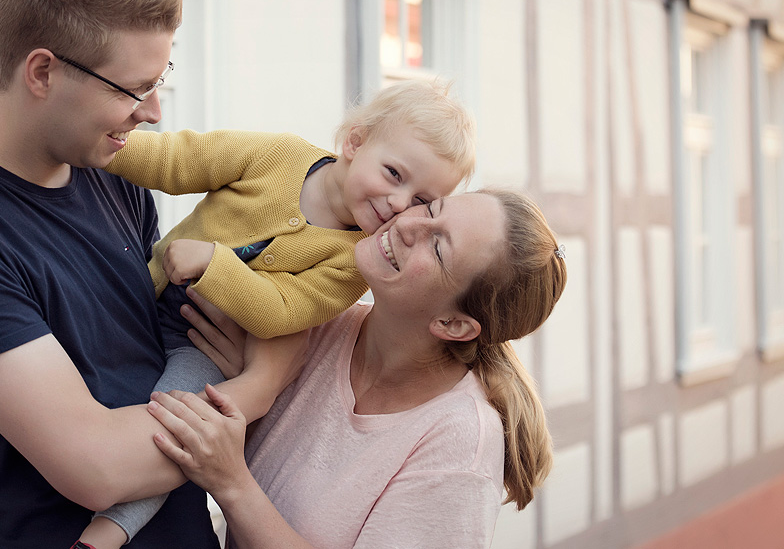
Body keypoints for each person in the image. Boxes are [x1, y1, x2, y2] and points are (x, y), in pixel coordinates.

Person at [0, 0, 300, 549]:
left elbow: (179, 353)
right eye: (132, 89)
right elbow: (97, 468)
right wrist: (261, 384)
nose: (153, 112)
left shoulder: (112, 178)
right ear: (43, 72)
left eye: (162, 81)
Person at [85, 81, 475, 544]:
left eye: (418, 201)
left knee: (180, 429)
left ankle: (107, 532)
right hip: (146, 294)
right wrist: (96, 147)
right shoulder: (278, 155)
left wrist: (215, 264)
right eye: (394, 174)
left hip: (199, 346)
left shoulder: (355, 261)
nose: (397, 203)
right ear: (355, 141)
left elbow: (282, 312)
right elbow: (182, 159)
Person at [143, 189, 568, 549]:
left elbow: (239, 473)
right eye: (432, 208)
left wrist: (231, 482)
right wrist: (252, 388)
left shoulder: (458, 446)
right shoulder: (310, 322)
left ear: (454, 325)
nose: (407, 224)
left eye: (438, 247)